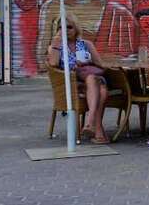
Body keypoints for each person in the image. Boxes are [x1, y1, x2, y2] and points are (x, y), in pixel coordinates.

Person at [46, 14, 110, 144]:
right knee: (102, 91)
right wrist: (56, 44)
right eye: (61, 28)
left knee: (93, 79)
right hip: (72, 82)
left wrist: (88, 61)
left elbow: (100, 64)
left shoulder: (86, 44)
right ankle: (96, 129)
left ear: (76, 28)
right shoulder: (56, 46)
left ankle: (90, 124)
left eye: (69, 27)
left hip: (89, 78)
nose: (65, 30)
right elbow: (52, 64)